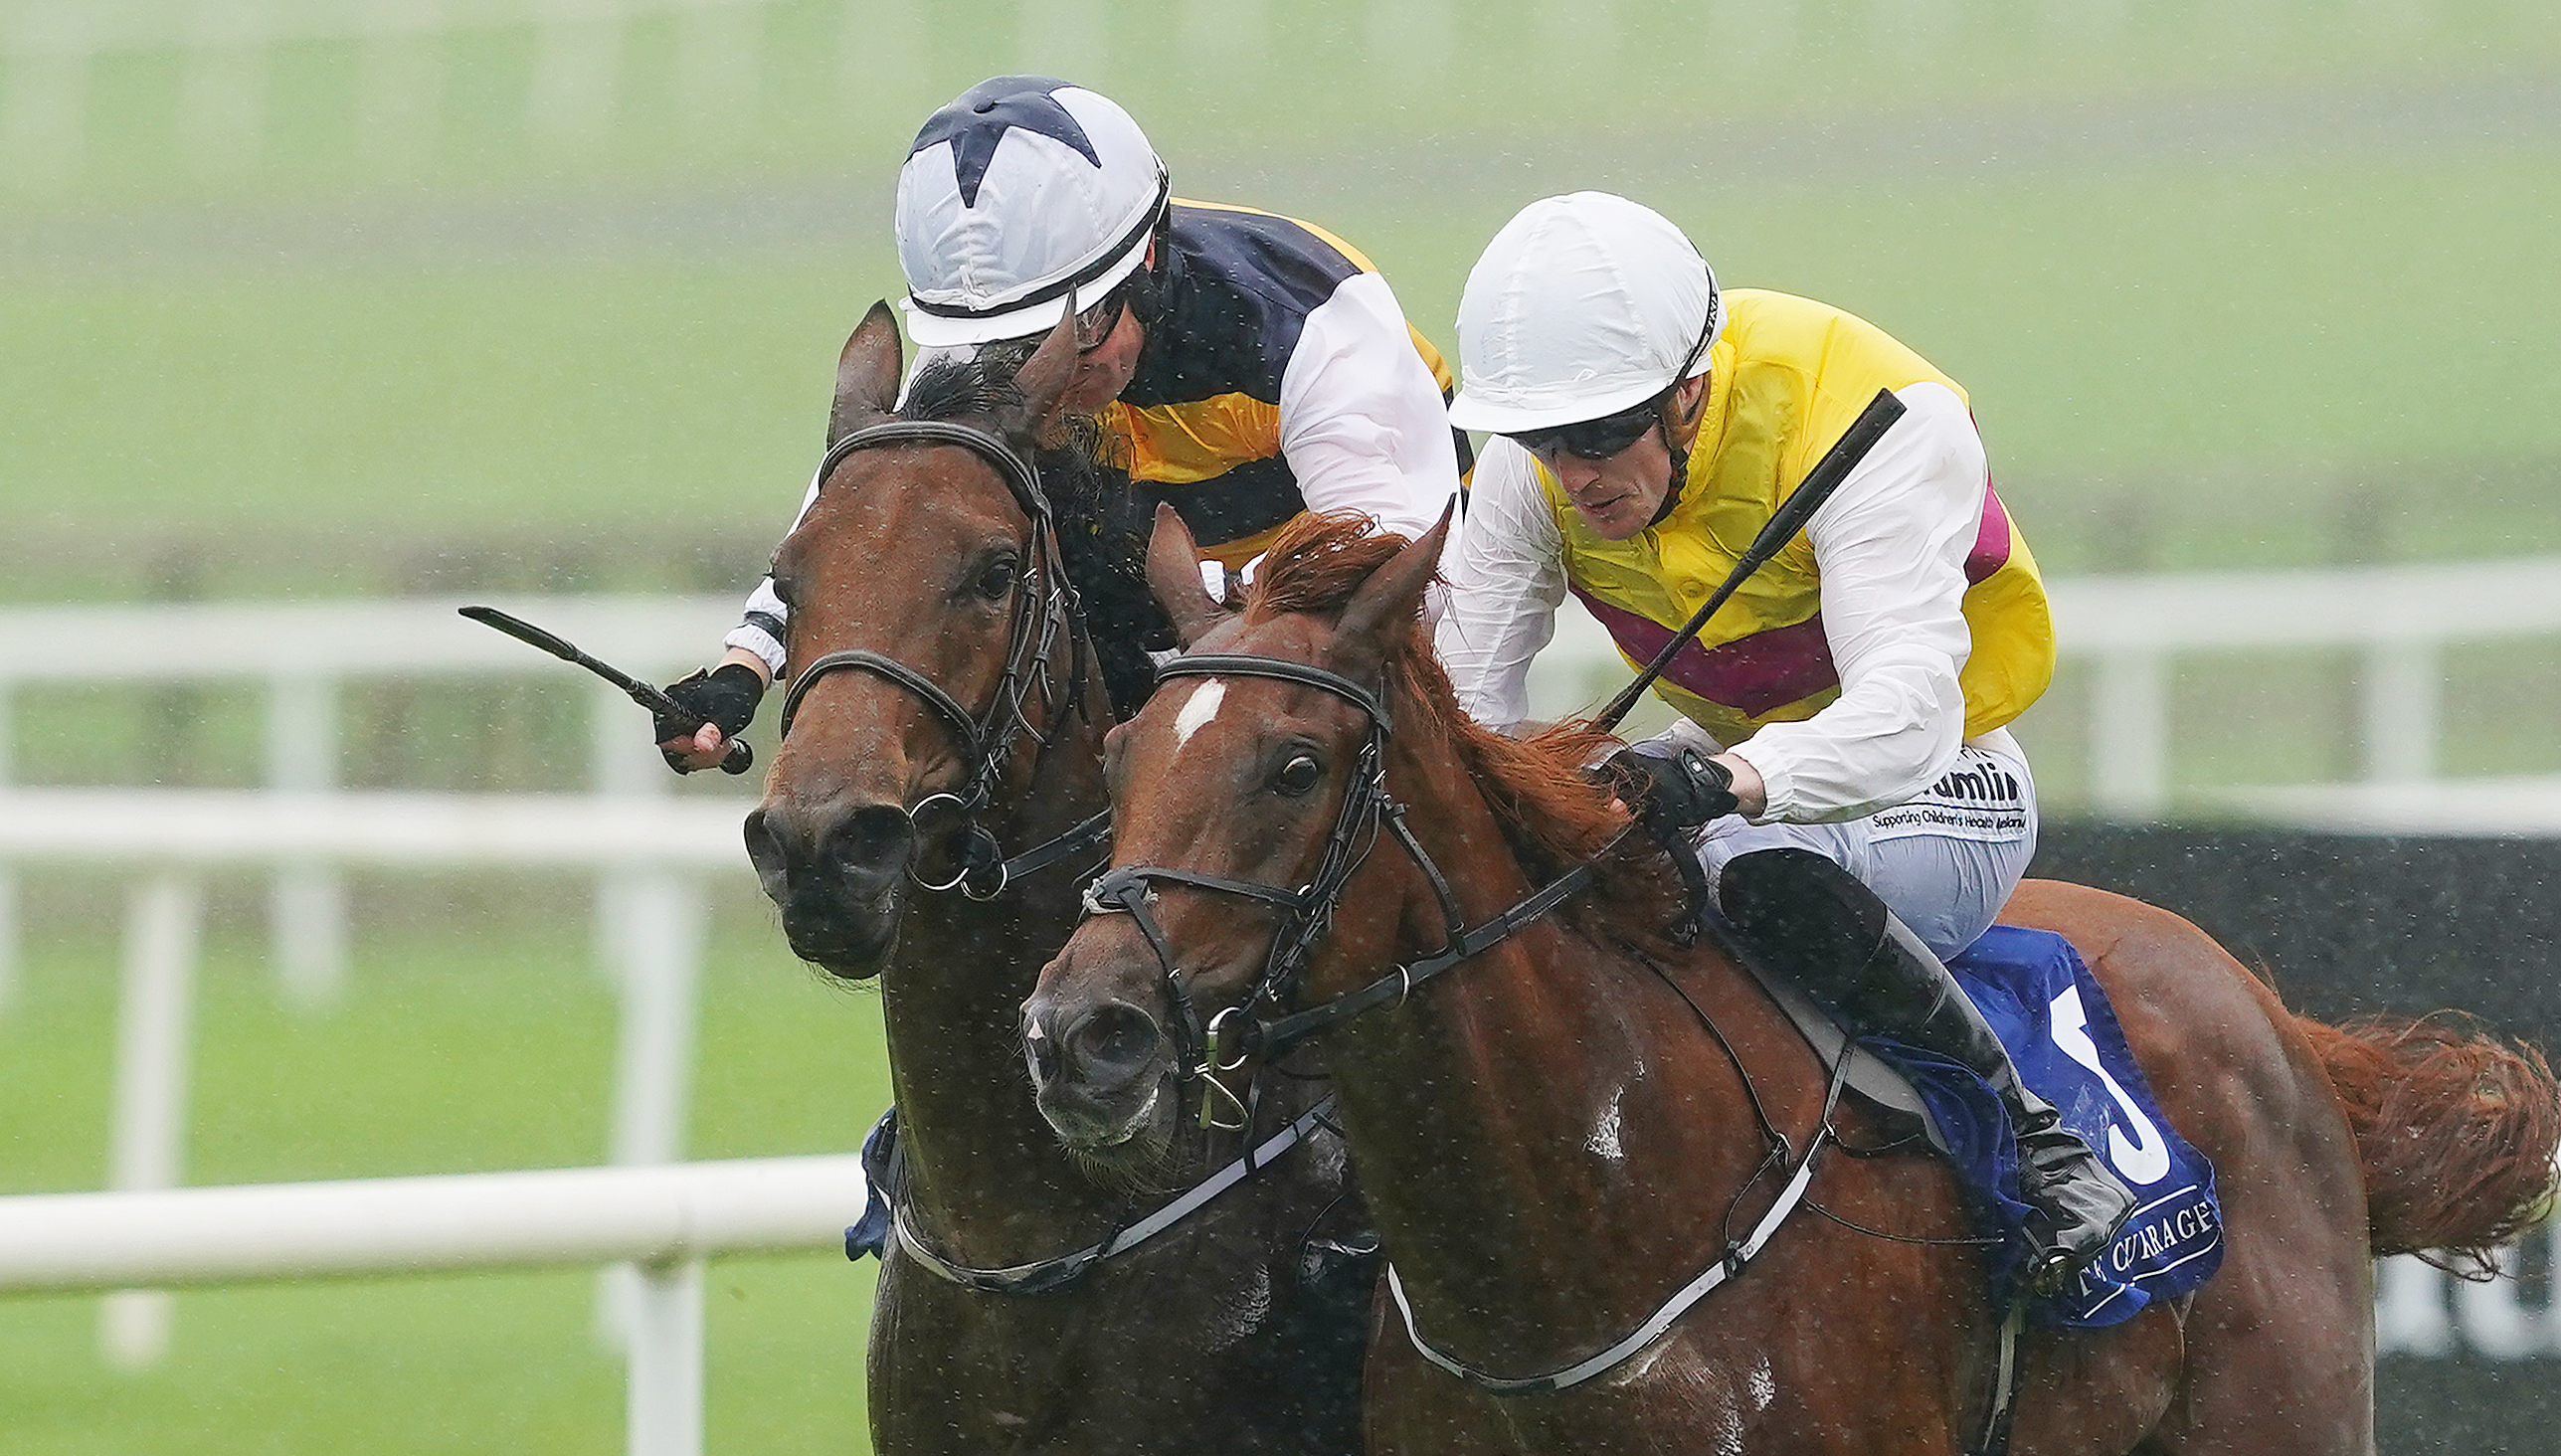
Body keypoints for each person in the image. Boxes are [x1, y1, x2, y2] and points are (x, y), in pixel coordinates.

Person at [1430, 191, 2131, 1299]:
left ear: (1689, 395)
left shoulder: (1871, 421)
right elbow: (1460, 704)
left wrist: (1719, 779)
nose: (1572, 476)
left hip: (1940, 779)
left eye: (1601, 439)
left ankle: (2040, 1145)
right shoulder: (1535, 471)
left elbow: (1904, 713)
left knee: (1738, 865)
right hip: (1734, 764)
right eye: (1538, 442)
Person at [656, 75, 1460, 769]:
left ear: (1145, 264)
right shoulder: (992, 343)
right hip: (1156, 585)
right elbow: (867, 517)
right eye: (1012, 343)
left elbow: (1394, 595)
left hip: (1393, 594)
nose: (1045, 374)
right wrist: (745, 668)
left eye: (1069, 333)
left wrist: (1174, 588)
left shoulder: (1311, 328)